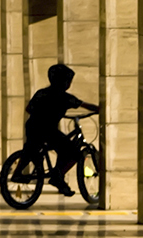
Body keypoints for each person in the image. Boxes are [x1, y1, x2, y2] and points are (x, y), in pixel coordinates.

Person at [20, 64, 101, 198]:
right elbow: (86, 106)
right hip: (48, 131)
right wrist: (99, 109)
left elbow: (29, 108)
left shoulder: (41, 93)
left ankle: (18, 172)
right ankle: (58, 176)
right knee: (75, 153)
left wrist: (42, 114)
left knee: (32, 148)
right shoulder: (66, 98)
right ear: (65, 82)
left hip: (32, 127)